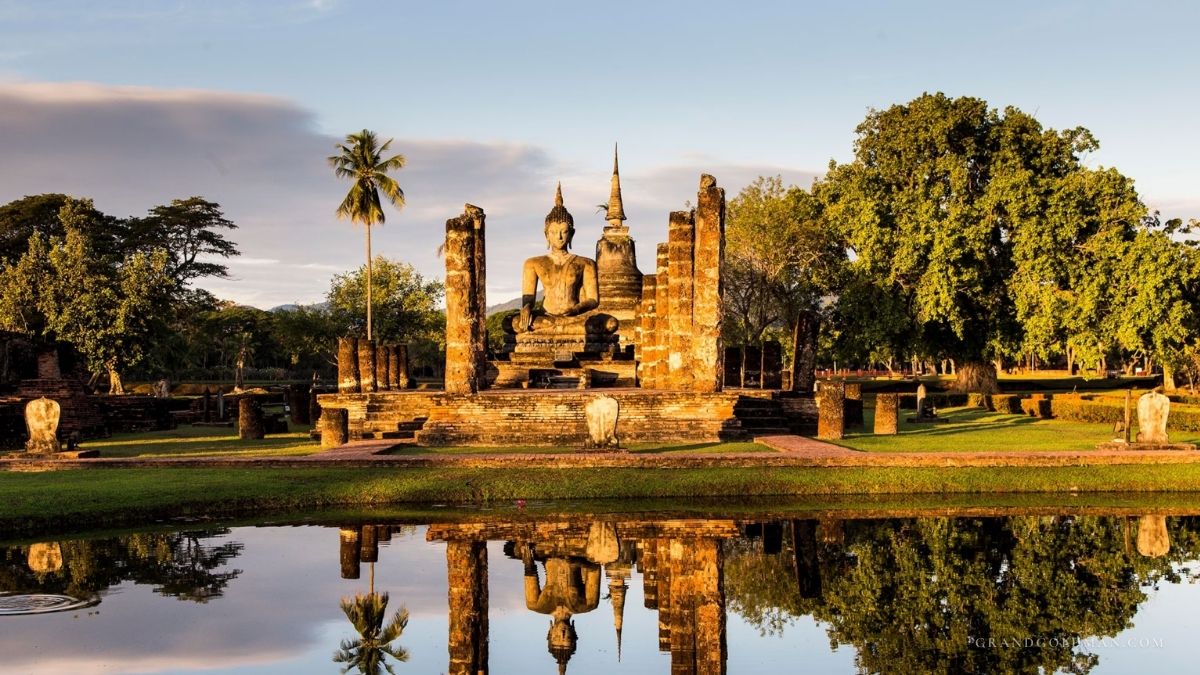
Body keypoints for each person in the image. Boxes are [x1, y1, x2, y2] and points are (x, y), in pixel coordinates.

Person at [518, 184, 599, 332]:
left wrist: (576, 310)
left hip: (575, 317)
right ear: (546, 234)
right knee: (515, 323)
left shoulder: (586, 263)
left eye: (564, 231)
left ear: (572, 234)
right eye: (554, 232)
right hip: (546, 316)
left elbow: (593, 299)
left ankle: (557, 328)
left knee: (610, 323)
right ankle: (558, 327)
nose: (559, 237)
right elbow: (528, 300)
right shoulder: (533, 263)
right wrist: (526, 308)